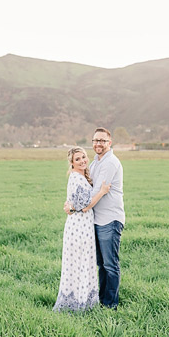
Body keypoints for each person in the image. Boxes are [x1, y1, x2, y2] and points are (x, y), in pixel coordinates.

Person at [53, 146, 110, 312]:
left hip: (82, 225)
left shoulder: (81, 176)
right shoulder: (76, 178)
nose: (82, 161)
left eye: (84, 157)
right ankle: (78, 302)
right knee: (80, 262)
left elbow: (74, 203)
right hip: (79, 227)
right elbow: (85, 206)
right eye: (77, 159)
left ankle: (82, 299)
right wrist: (102, 192)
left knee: (82, 262)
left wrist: (70, 206)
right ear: (71, 163)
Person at [88, 127, 124, 309]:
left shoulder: (110, 162)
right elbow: (88, 186)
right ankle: (102, 300)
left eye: (102, 140)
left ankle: (111, 305)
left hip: (109, 220)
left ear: (109, 143)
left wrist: (79, 207)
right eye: (95, 140)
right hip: (97, 219)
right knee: (101, 264)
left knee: (110, 264)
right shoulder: (95, 163)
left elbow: (96, 191)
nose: (98, 144)